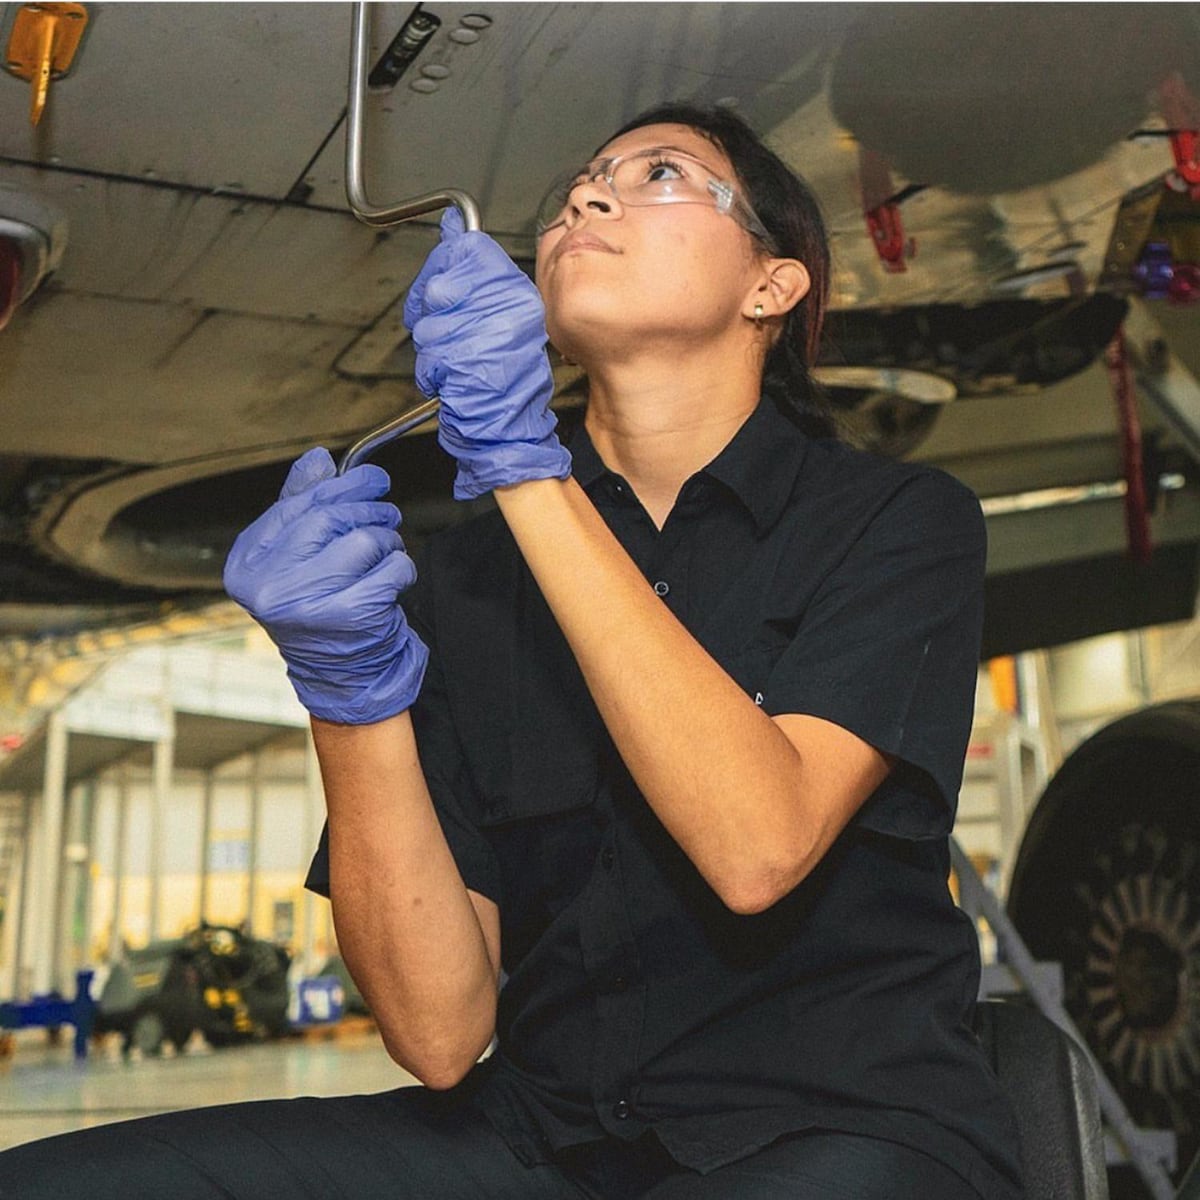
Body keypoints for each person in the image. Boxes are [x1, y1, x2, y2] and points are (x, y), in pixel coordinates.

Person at [0, 103, 1025, 1200]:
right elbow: (437, 1034)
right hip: (540, 1141)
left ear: (770, 287)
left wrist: (524, 467)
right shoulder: (466, 583)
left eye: (660, 174)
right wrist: (346, 696)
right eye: (583, 182)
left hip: (842, 1132)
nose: (587, 195)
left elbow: (756, 849)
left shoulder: (897, 522)